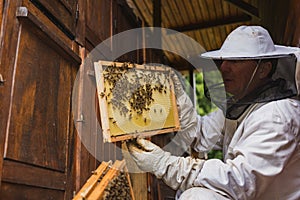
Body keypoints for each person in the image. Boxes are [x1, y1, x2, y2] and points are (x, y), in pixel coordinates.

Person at [126, 25, 300, 200]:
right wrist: (178, 99)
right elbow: (201, 137)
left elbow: (239, 180)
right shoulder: (241, 104)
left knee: (197, 197)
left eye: (236, 61)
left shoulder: (276, 116)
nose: (224, 68)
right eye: (223, 60)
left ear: (263, 69)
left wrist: (165, 165)